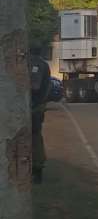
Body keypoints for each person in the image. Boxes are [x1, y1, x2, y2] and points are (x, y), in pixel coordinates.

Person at [29, 45, 51, 184]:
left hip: (34, 107)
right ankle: (37, 169)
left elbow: (35, 86)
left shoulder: (35, 64)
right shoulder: (43, 64)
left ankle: (37, 171)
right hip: (38, 106)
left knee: (34, 137)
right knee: (35, 137)